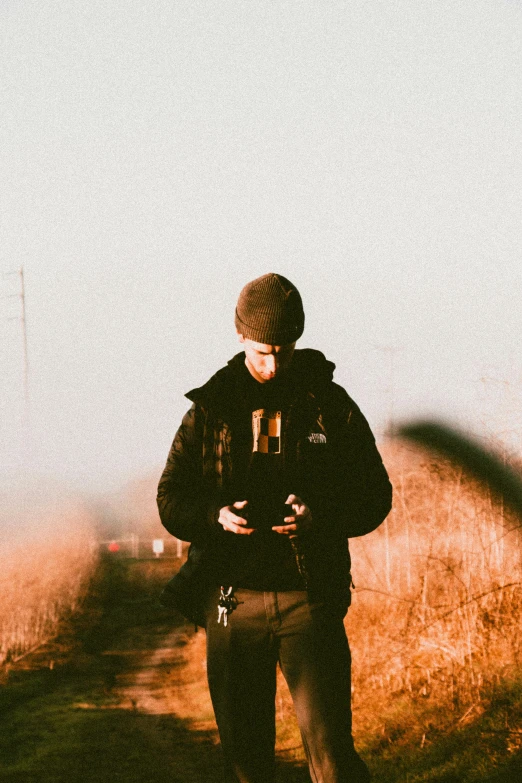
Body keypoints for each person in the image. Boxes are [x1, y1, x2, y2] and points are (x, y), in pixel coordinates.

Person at [157, 272, 392, 783]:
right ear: (240, 336)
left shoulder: (329, 405)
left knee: (333, 760)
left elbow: (376, 496)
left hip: (310, 600)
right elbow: (170, 500)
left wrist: (320, 517)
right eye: (263, 351)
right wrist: (213, 517)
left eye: (285, 351)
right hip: (230, 603)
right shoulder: (210, 408)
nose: (274, 363)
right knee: (247, 763)